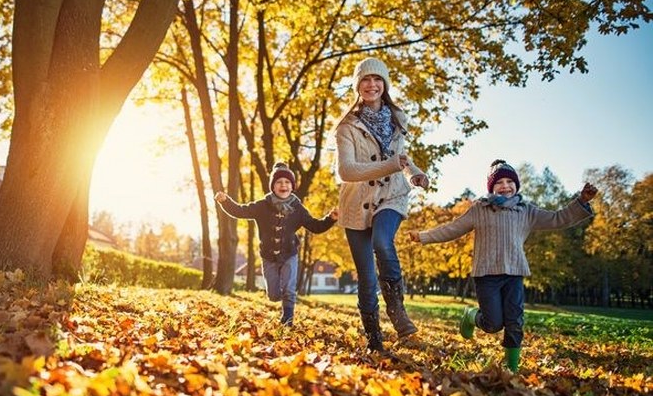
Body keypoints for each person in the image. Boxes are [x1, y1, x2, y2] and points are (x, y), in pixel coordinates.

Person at [408, 159, 598, 373]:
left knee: (515, 321)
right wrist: (423, 236)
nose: (505, 186)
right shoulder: (480, 208)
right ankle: (472, 315)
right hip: (486, 274)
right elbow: (453, 229)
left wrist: (581, 200)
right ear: (491, 187)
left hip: (514, 273)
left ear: (516, 185)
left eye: (510, 181)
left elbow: (557, 219)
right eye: (499, 182)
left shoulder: (526, 211)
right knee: (493, 324)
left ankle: (511, 368)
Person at [334, 56, 430, 353]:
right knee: (366, 274)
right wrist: (391, 165)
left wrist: (415, 174)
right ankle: (374, 336)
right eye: (366, 80)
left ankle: (398, 311)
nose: (372, 85)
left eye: (377, 80)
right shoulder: (346, 126)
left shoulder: (397, 119)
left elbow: (401, 159)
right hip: (357, 203)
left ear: (384, 85)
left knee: (383, 242)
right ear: (358, 86)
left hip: (392, 196)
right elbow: (346, 171)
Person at [215, 162, 338, 326]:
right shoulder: (262, 205)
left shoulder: (297, 208)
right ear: (273, 186)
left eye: (287, 182)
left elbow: (315, 226)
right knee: (273, 295)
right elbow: (240, 210)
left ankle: (287, 319)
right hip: (268, 257)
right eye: (279, 182)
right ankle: (278, 297)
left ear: (292, 187)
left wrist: (330, 219)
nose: (283, 185)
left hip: (289, 254)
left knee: (289, 288)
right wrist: (226, 201)